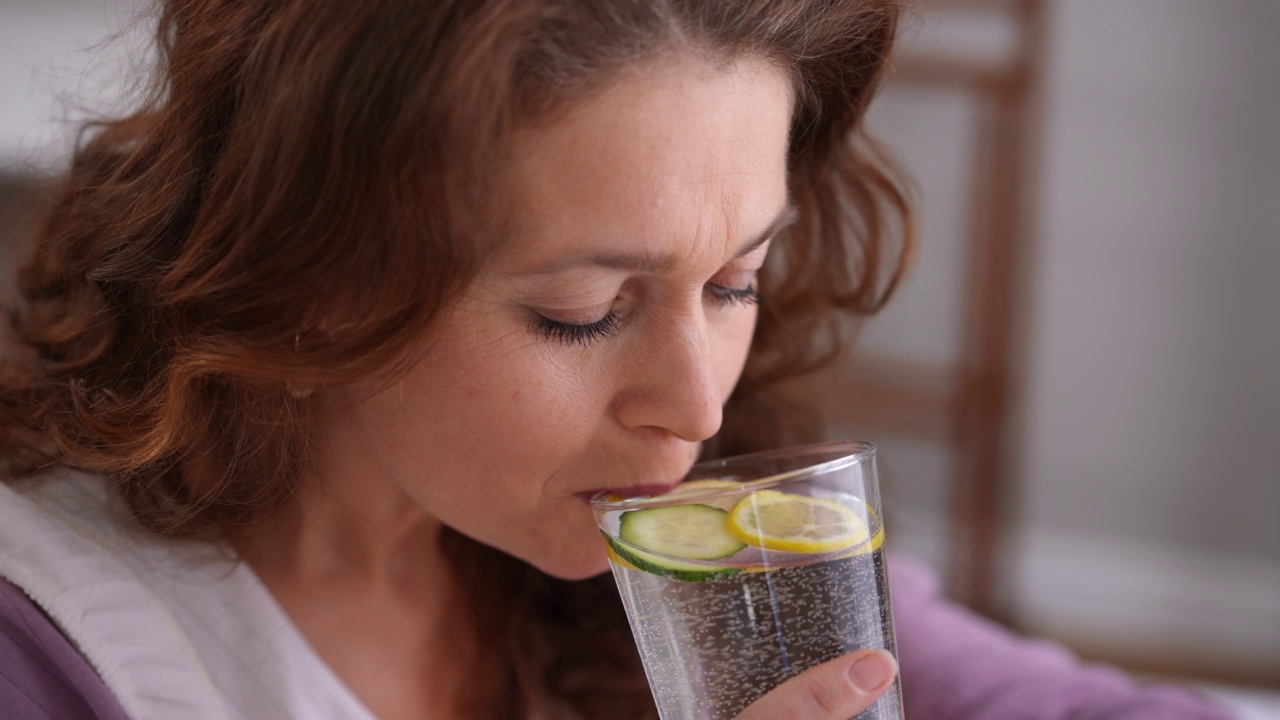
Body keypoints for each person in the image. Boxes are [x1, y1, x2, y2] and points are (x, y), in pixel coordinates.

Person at [0, 0, 1236, 718]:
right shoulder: (58, 649)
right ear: (316, 276)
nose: (696, 406)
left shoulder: (693, 555)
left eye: (732, 283)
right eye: (585, 311)